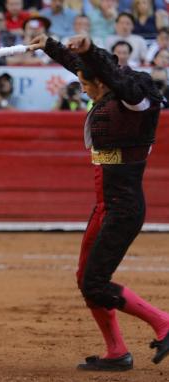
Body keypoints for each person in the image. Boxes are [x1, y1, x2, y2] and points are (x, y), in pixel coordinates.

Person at [29, 32, 169, 372]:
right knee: (86, 278)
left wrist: (91, 49)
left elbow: (108, 74)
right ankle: (116, 352)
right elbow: (84, 67)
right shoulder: (109, 92)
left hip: (123, 209)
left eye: (88, 85)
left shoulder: (134, 102)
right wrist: (50, 44)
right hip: (106, 206)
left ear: (104, 83)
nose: (85, 90)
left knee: (95, 282)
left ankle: (164, 321)